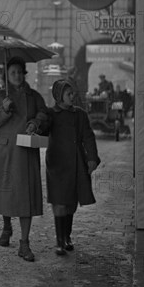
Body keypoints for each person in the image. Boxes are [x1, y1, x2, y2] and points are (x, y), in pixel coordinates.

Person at [0, 56, 49, 262]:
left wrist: (36, 123)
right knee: (6, 193)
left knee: (25, 197)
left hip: (25, 152)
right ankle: (6, 226)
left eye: (20, 72)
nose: (18, 76)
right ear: (6, 74)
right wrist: (4, 110)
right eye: (13, 73)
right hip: (3, 152)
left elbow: (45, 116)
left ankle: (24, 243)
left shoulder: (34, 96)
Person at [46, 80, 100, 255]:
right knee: (59, 203)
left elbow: (88, 137)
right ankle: (60, 241)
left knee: (70, 204)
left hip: (76, 163)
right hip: (57, 164)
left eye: (73, 93)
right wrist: (35, 124)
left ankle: (67, 236)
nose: (72, 96)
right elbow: (42, 128)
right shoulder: (50, 114)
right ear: (58, 95)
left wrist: (91, 158)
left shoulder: (80, 115)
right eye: (68, 93)